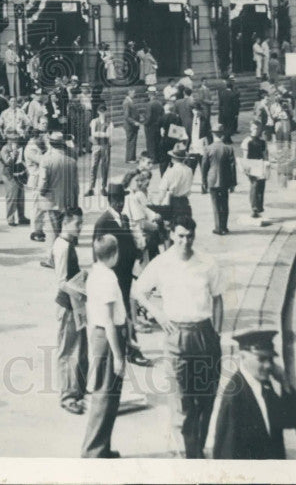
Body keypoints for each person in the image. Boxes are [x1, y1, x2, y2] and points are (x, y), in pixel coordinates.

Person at [131, 215, 224, 459]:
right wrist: (159, 316)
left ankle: (198, 447)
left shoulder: (207, 262)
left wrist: (217, 332)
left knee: (206, 398)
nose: (185, 241)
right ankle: (191, 454)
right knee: (183, 401)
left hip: (204, 334)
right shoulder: (162, 263)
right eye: (181, 236)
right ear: (172, 234)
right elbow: (138, 291)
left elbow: (218, 298)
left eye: (190, 236)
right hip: (176, 337)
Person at [212, 329, 296, 460]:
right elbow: (229, 452)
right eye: (262, 359)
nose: (268, 365)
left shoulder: (264, 385)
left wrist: (285, 382)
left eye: (270, 359)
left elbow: (289, 420)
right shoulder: (235, 397)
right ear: (242, 357)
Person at [94, 183, 151, 368]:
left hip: (126, 276)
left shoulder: (124, 219)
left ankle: (128, 348)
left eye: (121, 200)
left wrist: (137, 256)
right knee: (121, 315)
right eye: (116, 200)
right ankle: (130, 350)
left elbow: (129, 243)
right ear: (110, 200)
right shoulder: (103, 222)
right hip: (113, 278)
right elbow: (97, 253)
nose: (119, 203)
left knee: (126, 313)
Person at [80, 234, 127, 458]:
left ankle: (102, 448)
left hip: (101, 335)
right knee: (105, 397)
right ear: (114, 253)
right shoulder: (108, 278)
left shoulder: (95, 273)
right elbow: (109, 320)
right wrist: (118, 356)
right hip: (108, 337)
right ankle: (93, 452)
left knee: (109, 396)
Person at [53, 209, 88, 416]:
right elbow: (61, 282)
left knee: (81, 347)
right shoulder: (62, 247)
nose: (80, 228)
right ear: (66, 224)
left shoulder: (68, 243)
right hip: (68, 305)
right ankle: (67, 396)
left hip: (75, 303)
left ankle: (79, 390)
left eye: (82, 223)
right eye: (77, 224)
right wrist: (83, 291)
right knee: (67, 352)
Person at [37, 130, 79, 269]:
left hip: (51, 202)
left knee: (51, 233)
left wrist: (41, 193)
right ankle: (67, 259)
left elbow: (43, 183)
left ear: (51, 144)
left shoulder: (46, 160)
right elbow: (75, 185)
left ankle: (52, 259)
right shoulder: (71, 161)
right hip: (67, 202)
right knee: (65, 233)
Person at [201, 125, 237, 235]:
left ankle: (218, 228)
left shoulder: (208, 149)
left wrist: (204, 181)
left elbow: (204, 167)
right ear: (223, 135)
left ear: (213, 134)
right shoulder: (229, 148)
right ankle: (224, 226)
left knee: (215, 205)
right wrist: (233, 183)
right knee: (225, 204)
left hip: (212, 180)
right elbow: (232, 167)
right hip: (225, 180)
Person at [0, 132, 29, 226]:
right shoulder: (5, 149)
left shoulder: (19, 147)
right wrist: (13, 155)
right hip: (9, 175)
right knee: (12, 197)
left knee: (20, 196)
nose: (16, 141)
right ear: (8, 140)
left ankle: (22, 217)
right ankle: (10, 218)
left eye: (16, 139)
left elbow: (22, 160)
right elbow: (7, 162)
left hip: (19, 173)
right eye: (13, 139)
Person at [241, 121, 269, 218]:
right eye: (253, 128)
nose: (255, 131)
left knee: (261, 186)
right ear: (250, 129)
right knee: (255, 186)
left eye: (257, 129)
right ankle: (254, 207)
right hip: (252, 166)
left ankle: (259, 207)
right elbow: (245, 156)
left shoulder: (262, 142)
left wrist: (266, 164)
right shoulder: (247, 141)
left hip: (260, 165)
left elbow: (265, 154)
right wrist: (245, 167)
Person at [85, 103, 112, 198]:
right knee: (93, 166)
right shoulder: (94, 121)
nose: (102, 113)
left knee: (104, 167)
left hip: (105, 146)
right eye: (101, 111)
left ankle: (103, 187)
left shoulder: (109, 122)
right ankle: (91, 188)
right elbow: (93, 134)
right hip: (97, 146)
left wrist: (98, 133)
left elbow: (108, 135)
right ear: (98, 112)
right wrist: (102, 133)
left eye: (104, 111)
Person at [142, 86, 164, 165]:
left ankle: (152, 158)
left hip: (150, 126)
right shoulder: (159, 103)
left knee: (150, 142)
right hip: (158, 125)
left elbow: (148, 117)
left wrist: (145, 124)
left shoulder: (149, 104)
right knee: (157, 141)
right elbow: (162, 114)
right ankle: (158, 157)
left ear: (150, 95)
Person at [122, 87, 140, 163]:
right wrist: (134, 122)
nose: (134, 94)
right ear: (129, 93)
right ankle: (129, 158)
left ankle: (132, 157)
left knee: (133, 141)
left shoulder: (130, 101)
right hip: (130, 125)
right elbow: (127, 116)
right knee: (131, 141)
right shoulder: (127, 102)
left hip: (133, 125)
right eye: (133, 92)